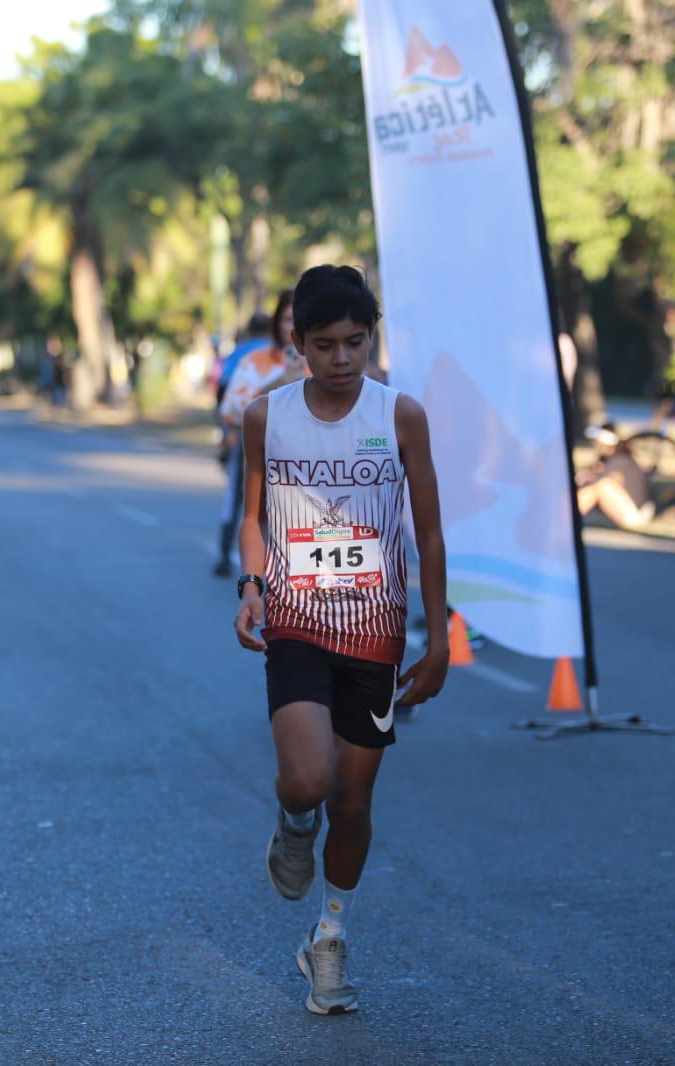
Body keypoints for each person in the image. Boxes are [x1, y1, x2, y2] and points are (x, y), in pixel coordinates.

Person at [232, 265, 448, 1014]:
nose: (342, 359)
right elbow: (253, 516)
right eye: (324, 345)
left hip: (376, 632)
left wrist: (440, 636)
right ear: (298, 345)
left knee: (353, 805)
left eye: (355, 342)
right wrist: (252, 586)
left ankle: (327, 937)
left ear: (371, 338)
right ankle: (293, 825)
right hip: (296, 621)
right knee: (309, 782)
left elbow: (427, 530)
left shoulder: (402, 416)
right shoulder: (268, 416)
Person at [213, 293, 293, 577]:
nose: (294, 325)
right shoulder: (255, 360)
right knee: (243, 503)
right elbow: (233, 410)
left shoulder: (323, 360)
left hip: (309, 463)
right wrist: (280, 384)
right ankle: (233, 560)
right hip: (257, 453)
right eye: (287, 319)